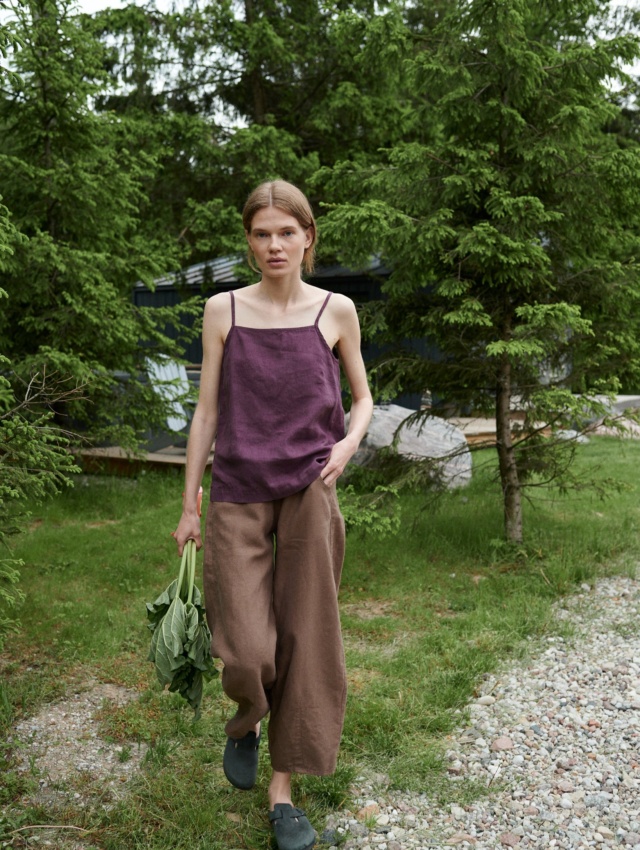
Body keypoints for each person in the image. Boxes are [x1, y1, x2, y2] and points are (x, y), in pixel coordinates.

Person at [172, 179, 373, 850]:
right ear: (249, 242)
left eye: (287, 232)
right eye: (262, 234)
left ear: (308, 236)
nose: (274, 245)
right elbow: (205, 411)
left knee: (306, 638)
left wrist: (346, 444)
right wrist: (188, 503)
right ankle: (247, 718)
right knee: (247, 646)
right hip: (236, 489)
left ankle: (284, 793)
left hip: (310, 491)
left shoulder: (336, 310)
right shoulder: (222, 310)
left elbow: (364, 400)